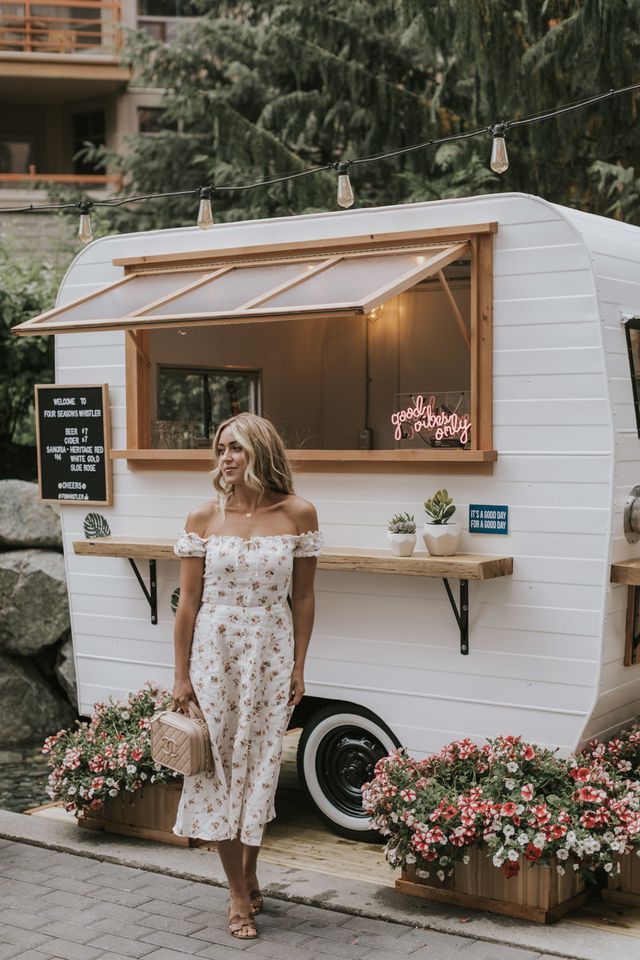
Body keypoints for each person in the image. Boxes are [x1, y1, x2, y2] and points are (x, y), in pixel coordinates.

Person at [171, 412, 322, 941]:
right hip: (214, 654)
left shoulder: (298, 514)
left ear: (260, 450)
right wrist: (180, 675)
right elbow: (187, 605)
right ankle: (237, 892)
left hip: (272, 652)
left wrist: (300, 664)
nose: (225, 458)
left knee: (259, 766)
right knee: (217, 770)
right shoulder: (203, 517)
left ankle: (250, 870)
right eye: (220, 449)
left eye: (236, 448)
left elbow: (302, 598)